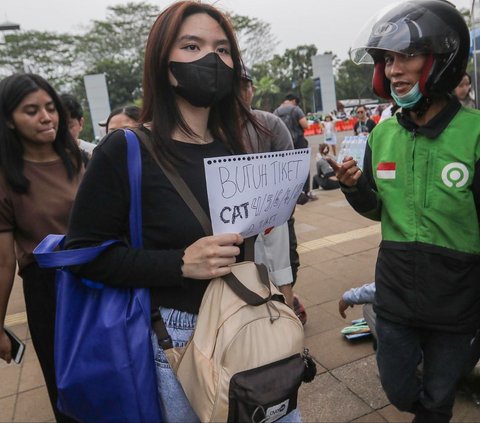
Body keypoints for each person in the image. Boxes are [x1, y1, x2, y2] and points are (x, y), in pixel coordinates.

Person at [65, 2, 301, 422]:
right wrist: (179, 264)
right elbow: (85, 254)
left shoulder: (239, 146)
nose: (211, 59)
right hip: (181, 336)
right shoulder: (124, 150)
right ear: (163, 63)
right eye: (191, 46)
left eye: (222, 49)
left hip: (250, 316)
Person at [329, 1, 480, 421]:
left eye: (406, 56)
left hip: (457, 296)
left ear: (442, 59)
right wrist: (356, 187)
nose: (394, 70)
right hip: (395, 293)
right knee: (399, 390)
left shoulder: (475, 133)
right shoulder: (382, 133)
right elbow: (378, 209)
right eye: (387, 60)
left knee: (439, 400)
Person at [0, 74, 84, 422]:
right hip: (50, 294)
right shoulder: (6, 177)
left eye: (50, 108)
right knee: (68, 389)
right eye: (31, 111)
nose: (46, 117)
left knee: (117, 372)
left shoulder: (79, 158)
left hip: (102, 279)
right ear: (8, 119)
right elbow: (4, 262)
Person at [239, 66, 306, 321]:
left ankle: (287, 319)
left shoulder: (270, 124)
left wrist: (279, 212)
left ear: (252, 90)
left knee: (289, 266)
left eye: (245, 86)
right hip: (237, 224)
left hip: (276, 218)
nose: (240, 93)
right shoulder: (212, 129)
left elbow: (292, 176)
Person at [274, 94, 317, 202]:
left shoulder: (277, 111)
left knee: (286, 169)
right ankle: (305, 192)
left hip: (282, 145)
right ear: (294, 100)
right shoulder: (296, 109)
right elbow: (305, 125)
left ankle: (289, 194)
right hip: (298, 142)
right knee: (303, 167)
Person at [60, 93, 96, 157]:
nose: (64, 132)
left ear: (81, 123)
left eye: (70, 126)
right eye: (60, 126)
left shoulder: (94, 152)